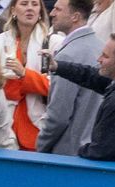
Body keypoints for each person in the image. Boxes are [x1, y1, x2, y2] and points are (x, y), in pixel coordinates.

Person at [46, 33, 115, 160]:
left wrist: (81, 150)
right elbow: (89, 75)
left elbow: (102, 151)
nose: (98, 59)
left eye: (105, 56)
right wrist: (57, 66)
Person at [0, 0, 63, 151]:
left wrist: (25, 75)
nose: (30, 8)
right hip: (5, 122)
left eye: (35, 4)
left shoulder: (55, 42)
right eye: (24, 4)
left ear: (40, 12)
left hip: (38, 123)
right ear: (13, 10)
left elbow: (59, 87)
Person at [37, 0, 105, 155]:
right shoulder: (101, 47)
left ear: (75, 16)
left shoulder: (68, 55)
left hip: (67, 153)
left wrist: (40, 146)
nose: (52, 13)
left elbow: (58, 116)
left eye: (58, 9)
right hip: (92, 149)